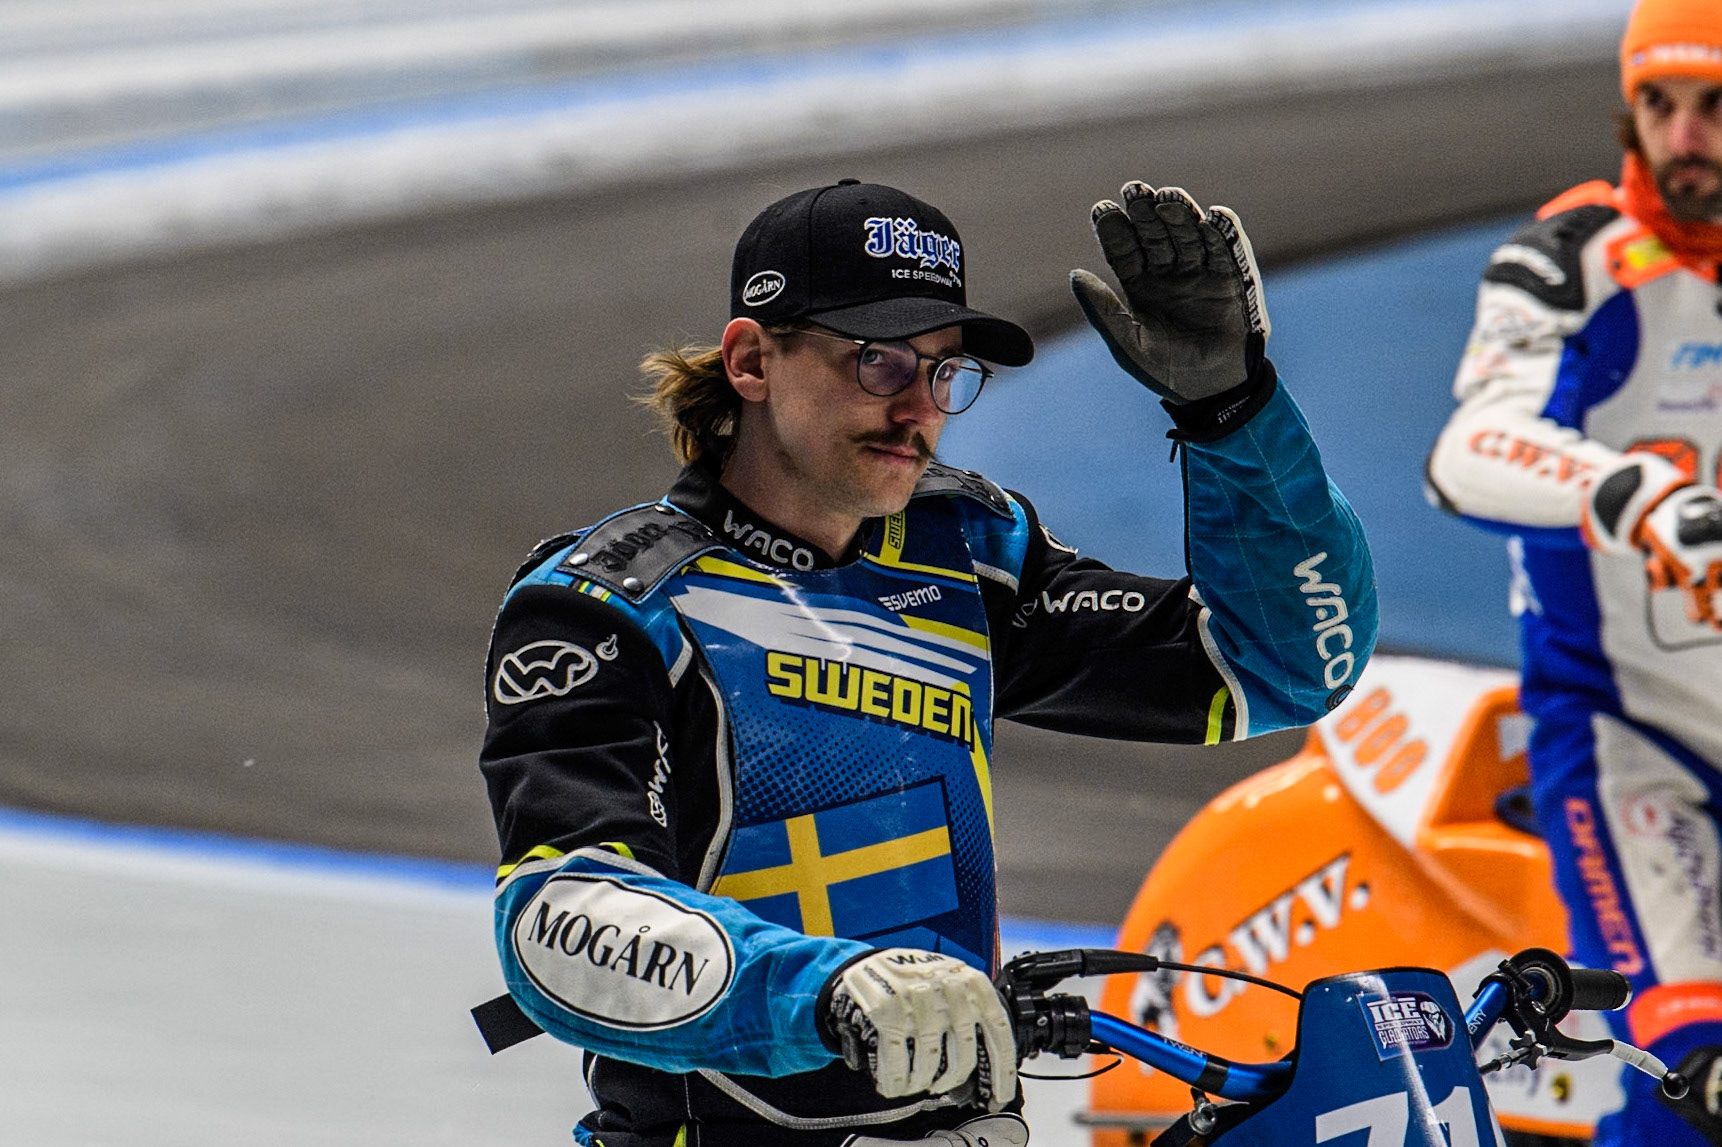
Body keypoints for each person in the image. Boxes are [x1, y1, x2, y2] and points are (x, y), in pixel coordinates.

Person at [477, 176, 1375, 1146]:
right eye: (877, 362)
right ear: (750, 360)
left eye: (944, 372)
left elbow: (1283, 663)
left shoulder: (964, 554)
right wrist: (824, 990)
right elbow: (559, 918)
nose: (918, 407)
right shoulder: (608, 604)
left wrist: (1232, 411)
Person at [1426, 1, 1722, 1141]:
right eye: (1660, 104)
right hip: (1627, 736)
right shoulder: (1566, 262)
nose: (1683, 137)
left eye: (1713, 107)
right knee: (1689, 1076)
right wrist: (1630, 492)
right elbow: (1467, 448)